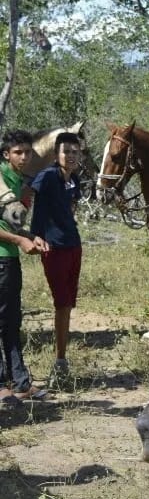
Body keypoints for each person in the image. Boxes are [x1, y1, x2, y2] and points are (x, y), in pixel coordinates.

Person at [30, 131, 83, 388]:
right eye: (66, 152)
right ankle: (60, 363)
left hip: (73, 244)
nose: (71, 156)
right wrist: (34, 235)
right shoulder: (47, 176)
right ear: (56, 154)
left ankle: (61, 359)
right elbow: (26, 199)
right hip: (54, 248)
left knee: (68, 303)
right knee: (61, 303)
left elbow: (71, 206)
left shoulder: (75, 179)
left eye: (75, 152)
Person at [0, 130, 50, 403]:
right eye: (18, 152)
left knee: (11, 321)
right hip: (2, 257)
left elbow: (9, 222)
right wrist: (19, 239)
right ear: (7, 154)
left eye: (28, 152)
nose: (24, 157)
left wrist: (29, 236)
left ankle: (20, 382)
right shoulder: (2, 179)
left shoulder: (17, 180)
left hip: (8, 258)